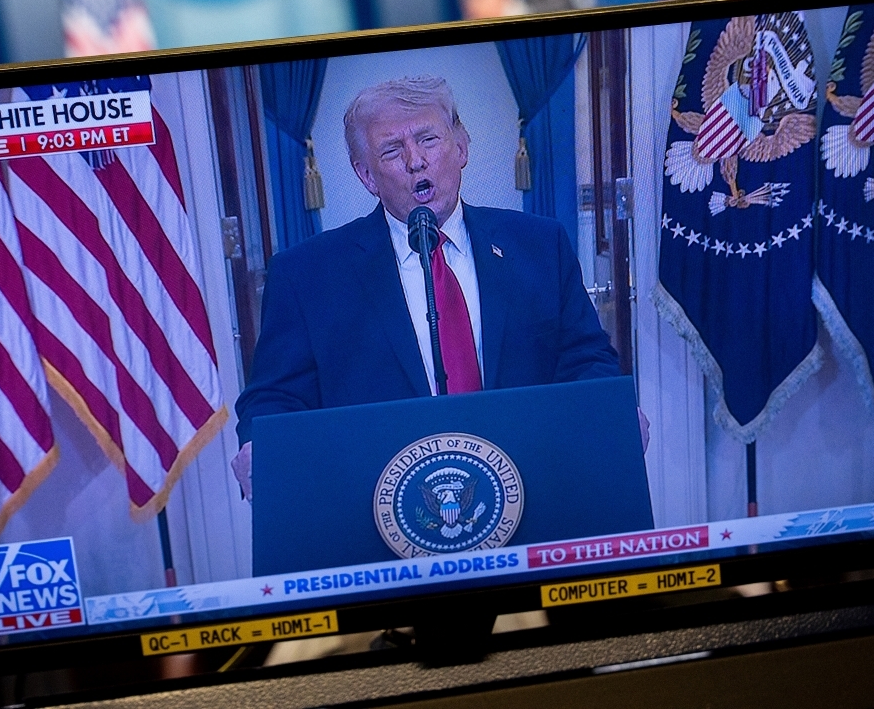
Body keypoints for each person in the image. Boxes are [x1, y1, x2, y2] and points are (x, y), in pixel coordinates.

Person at [231, 76, 623, 497]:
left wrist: (607, 410)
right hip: (377, 506)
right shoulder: (306, 276)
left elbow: (586, 357)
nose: (415, 161)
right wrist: (261, 443)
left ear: (461, 148)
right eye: (392, 150)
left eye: (428, 139)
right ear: (366, 175)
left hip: (533, 486)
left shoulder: (539, 245)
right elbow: (274, 396)